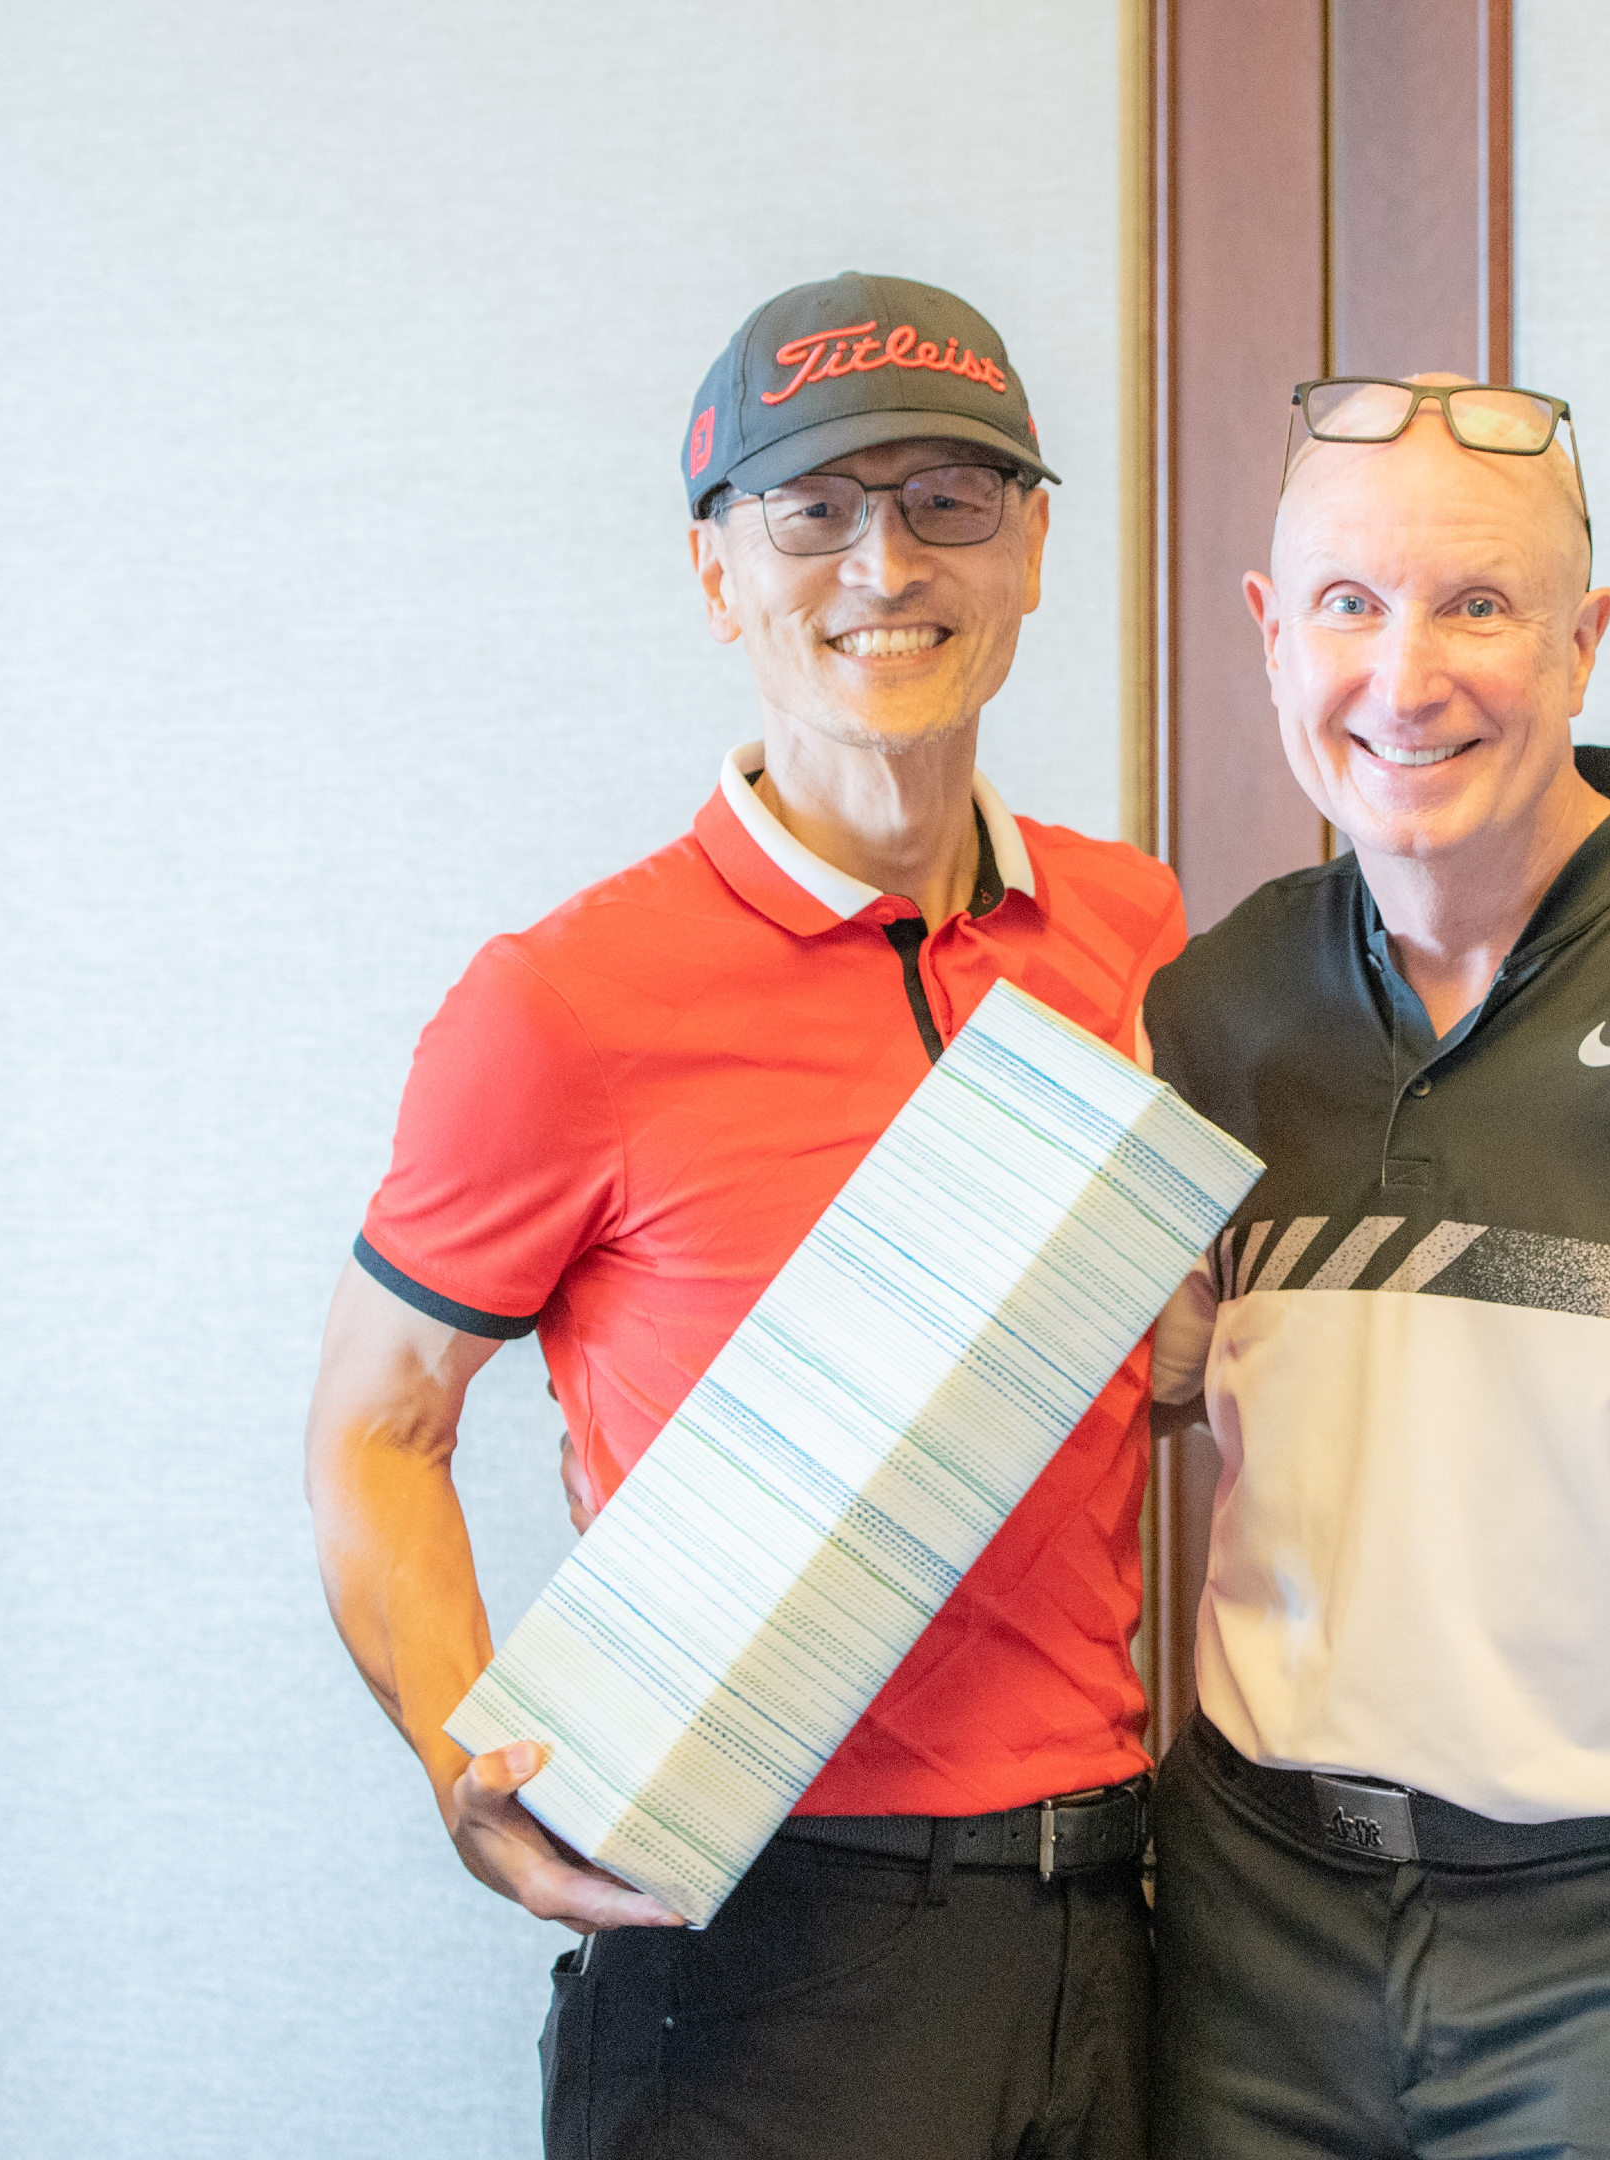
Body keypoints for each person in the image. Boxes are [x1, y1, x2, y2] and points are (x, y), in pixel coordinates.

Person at [304, 272, 1182, 2160]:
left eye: (951, 499)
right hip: (754, 1929)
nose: (888, 560)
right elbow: (377, 1427)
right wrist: (468, 1746)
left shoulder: (1137, 938)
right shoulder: (564, 1002)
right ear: (720, 573)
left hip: (1118, 1921)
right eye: (816, 508)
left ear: (1034, 551)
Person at [1139, 376, 1610, 2160]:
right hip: (1257, 1934)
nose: (1405, 679)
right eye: (1349, 603)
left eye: (1477, 605)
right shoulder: (1210, 1013)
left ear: (1585, 643)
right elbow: (1155, 1398)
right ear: (1271, 637)